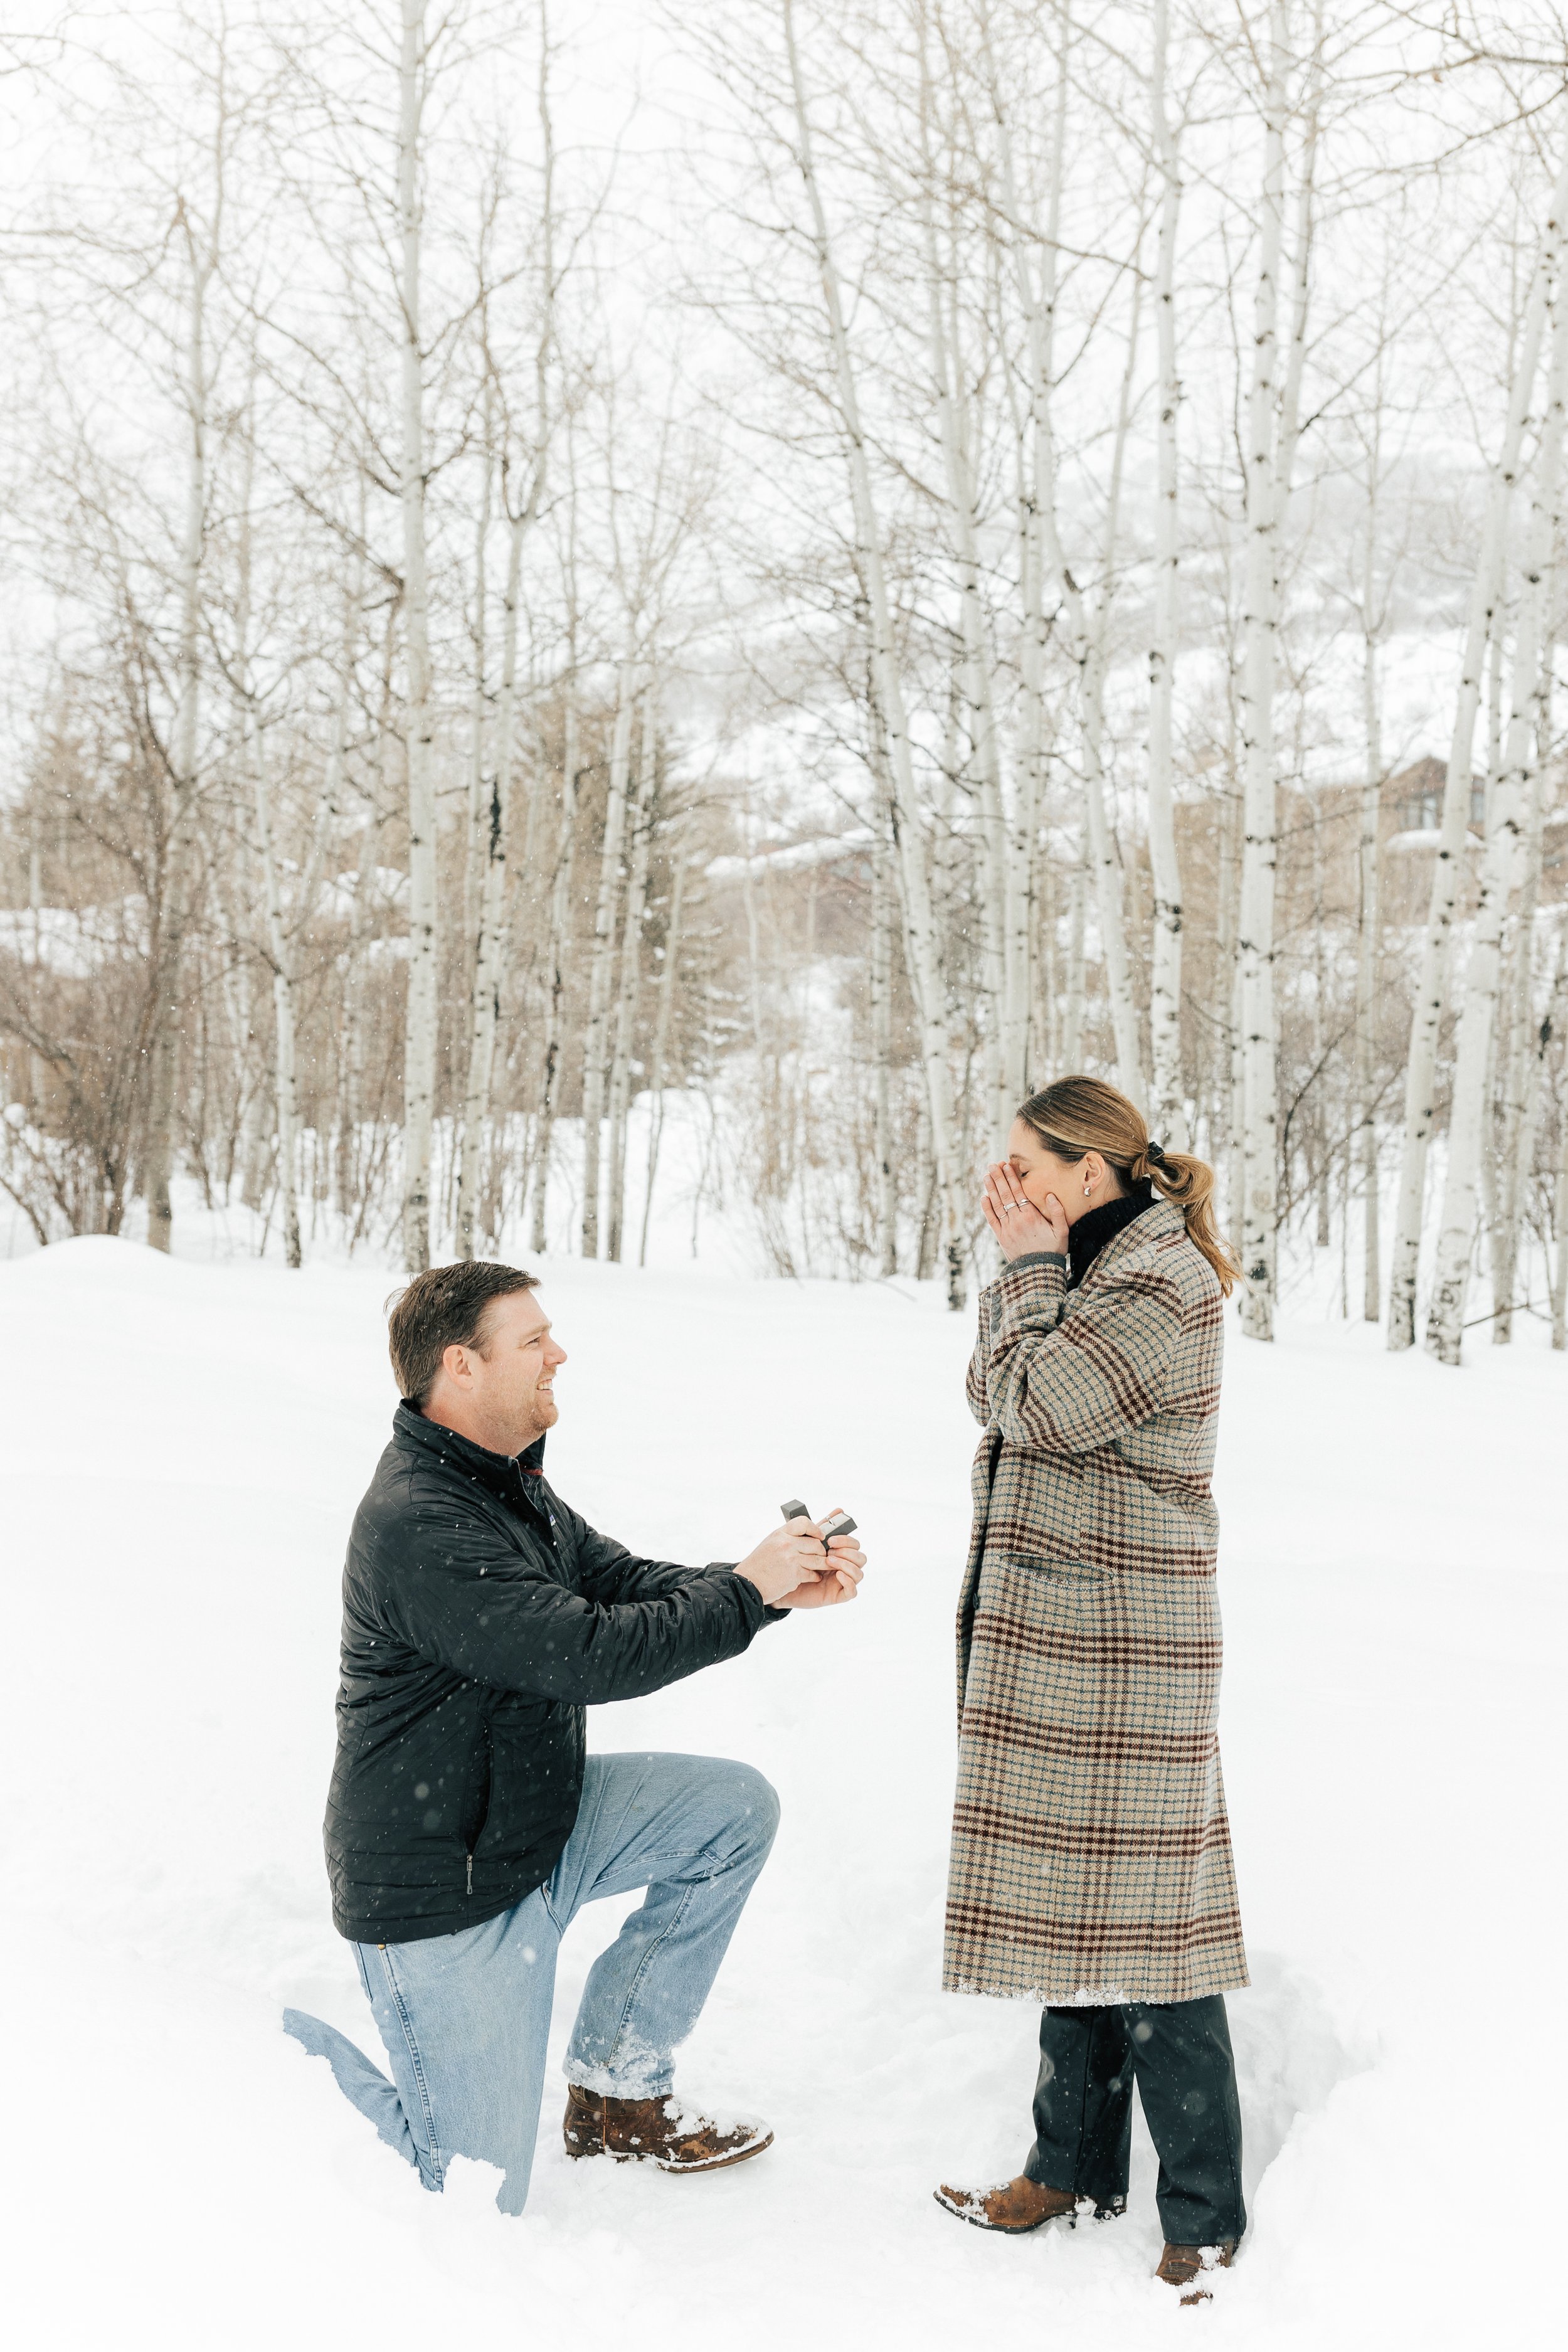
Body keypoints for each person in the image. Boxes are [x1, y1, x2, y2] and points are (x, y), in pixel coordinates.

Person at [284, 1259, 864, 2215]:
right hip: (443, 1891)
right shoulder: (419, 1523)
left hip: (532, 1824)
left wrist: (772, 1585)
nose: (560, 1351)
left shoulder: (504, 1484)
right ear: (460, 1366)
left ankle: (615, 2090)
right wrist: (746, 1589)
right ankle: (245, 2052)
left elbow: (619, 1582)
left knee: (732, 1812)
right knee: (464, 2193)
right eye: (533, 1339)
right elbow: (588, 1652)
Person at [932, 1077, 1248, 2304]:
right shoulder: (1077, 1270)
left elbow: (1040, 1403)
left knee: (1157, 1941)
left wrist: (1019, 1269)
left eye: (1023, 1163)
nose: (1005, 1184)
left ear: (1085, 1167)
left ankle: (1203, 2217)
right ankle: (1067, 2170)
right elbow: (993, 1393)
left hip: (1128, 1648)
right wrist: (1027, 1275)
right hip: (1064, 1641)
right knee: (1076, 1910)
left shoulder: (1156, 1281)